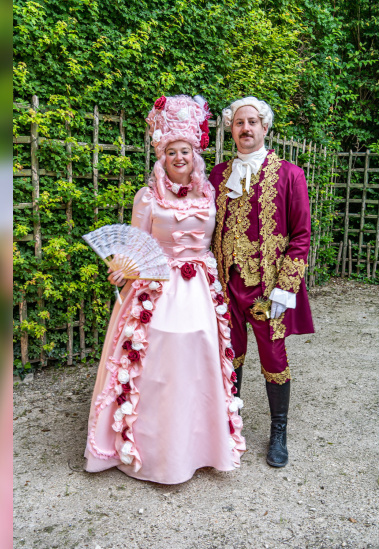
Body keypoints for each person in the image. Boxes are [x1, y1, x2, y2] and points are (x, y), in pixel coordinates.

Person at [84, 95, 245, 484]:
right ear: (162, 156)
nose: (179, 157)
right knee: (156, 357)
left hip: (201, 291)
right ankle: (151, 450)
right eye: (171, 151)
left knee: (200, 356)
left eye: (185, 150)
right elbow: (136, 247)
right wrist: (121, 270)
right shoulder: (147, 197)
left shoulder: (210, 194)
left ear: (195, 154)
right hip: (157, 289)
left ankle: (200, 445)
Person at [208, 97, 314, 468]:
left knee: (273, 358)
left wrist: (286, 287)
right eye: (239, 123)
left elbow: (301, 235)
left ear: (265, 127)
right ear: (231, 129)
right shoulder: (218, 176)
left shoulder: (290, 174)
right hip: (225, 284)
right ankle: (231, 426)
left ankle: (278, 433)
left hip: (268, 289)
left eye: (253, 122)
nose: (246, 128)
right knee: (228, 356)